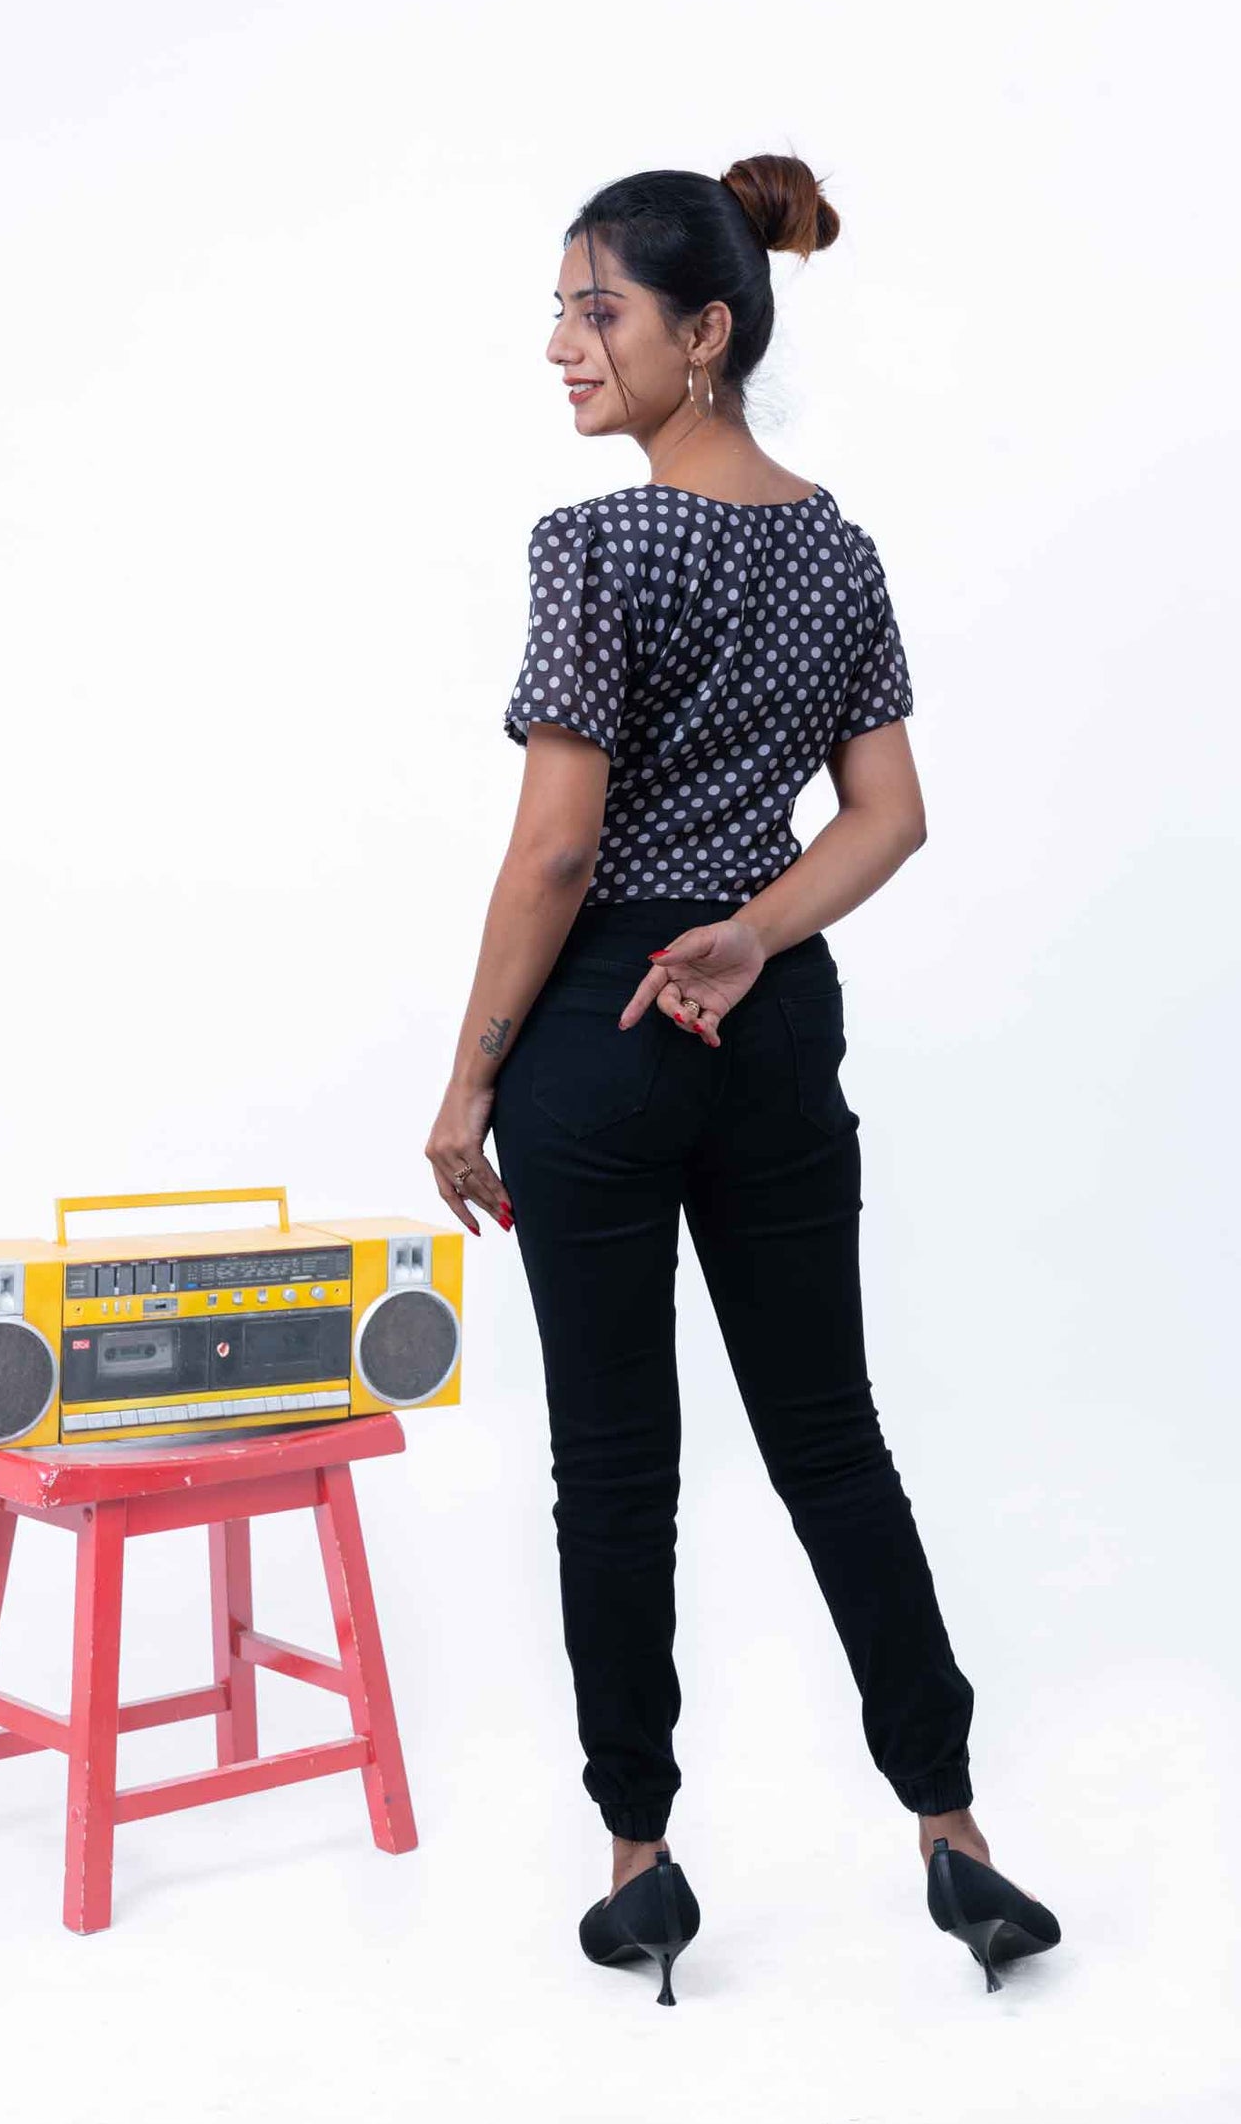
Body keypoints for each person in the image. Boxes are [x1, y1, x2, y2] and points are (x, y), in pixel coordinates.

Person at [423, 151, 1060, 2003]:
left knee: (615, 1469)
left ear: (704, 333)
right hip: (768, 1022)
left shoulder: (595, 546)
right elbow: (893, 818)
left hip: (605, 1025)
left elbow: (553, 853)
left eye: (593, 309)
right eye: (555, 306)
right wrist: (759, 930)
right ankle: (954, 1836)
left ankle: (639, 1861)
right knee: (833, 1439)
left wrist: (468, 1086)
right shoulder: (834, 547)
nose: (559, 345)